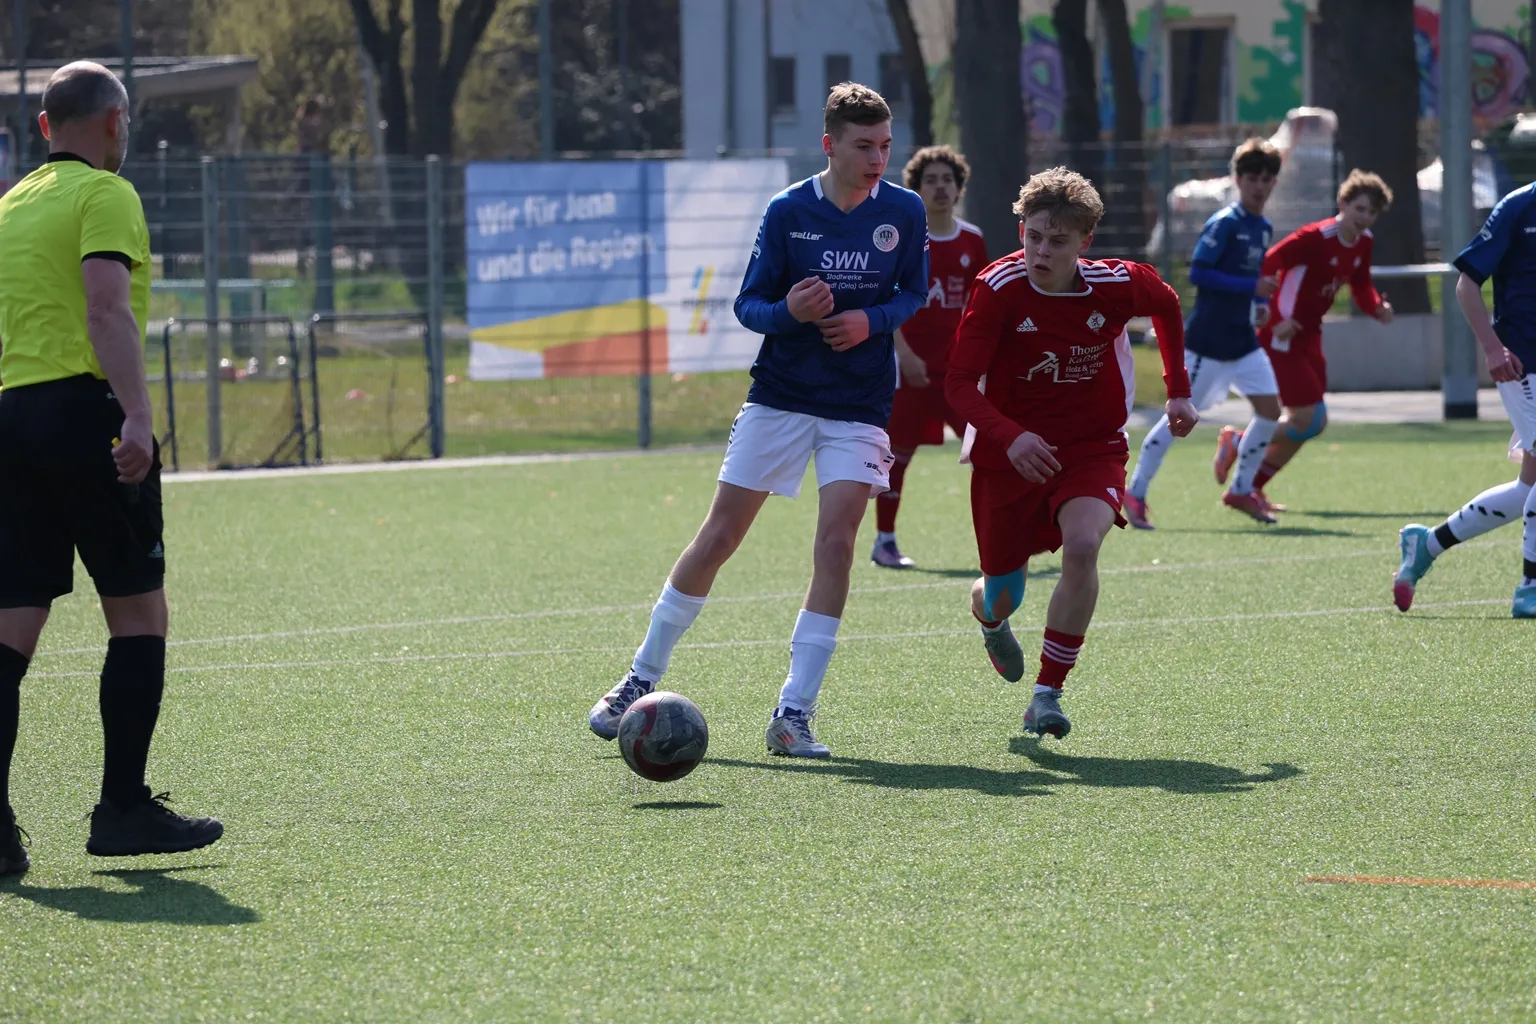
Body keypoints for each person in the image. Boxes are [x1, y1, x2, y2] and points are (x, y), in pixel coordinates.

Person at [586, 83, 927, 758]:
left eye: (886, 146)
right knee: (719, 535)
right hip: (781, 395)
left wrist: (871, 320)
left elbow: (912, 291)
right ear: (829, 145)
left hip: (858, 404)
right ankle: (639, 678)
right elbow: (749, 306)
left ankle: (794, 713)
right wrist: (790, 313)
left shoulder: (904, 211)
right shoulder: (788, 210)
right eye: (864, 146)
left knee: (837, 544)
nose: (877, 159)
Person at [0, 62, 223, 876]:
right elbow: (105, 306)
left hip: (12, 416)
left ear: (44, 126)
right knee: (136, 614)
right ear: (115, 122)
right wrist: (136, 416)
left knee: (12, 627)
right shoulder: (106, 194)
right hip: (86, 417)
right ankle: (122, 809)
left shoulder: (10, 206)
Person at [945, 167, 1197, 740]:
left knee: (1083, 548)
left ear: (1085, 241)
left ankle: (1047, 694)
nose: (1041, 251)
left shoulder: (1115, 284)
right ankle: (989, 621)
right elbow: (958, 384)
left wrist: (1178, 389)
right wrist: (1012, 436)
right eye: (1033, 237)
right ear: (1021, 231)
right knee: (1002, 594)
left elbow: (1167, 303)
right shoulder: (997, 288)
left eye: (1057, 241)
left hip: (1091, 447)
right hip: (1008, 455)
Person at [1394, 181, 1536, 616]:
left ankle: (1427, 544)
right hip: (1521, 361)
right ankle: (1530, 588)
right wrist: (1492, 348)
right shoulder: (1519, 207)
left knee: (1528, 487)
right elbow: (1466, 284)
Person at [1126, 138, 1284, 528]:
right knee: (1178, 419)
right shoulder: (1225, 223)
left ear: (1274, 182)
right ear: (1237, 179)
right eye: (1252, 178)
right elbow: (1199, 272)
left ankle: (1241, 489)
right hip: (1208, 342)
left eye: (1266, 179)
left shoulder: (1263, 227)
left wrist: (1258, 305)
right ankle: (1135, 492)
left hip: (1242, 341)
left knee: (1270, 411)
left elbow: (1249, 279)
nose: (1259, 186)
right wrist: (1251, 288)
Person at [1246, 170, 1396, 510]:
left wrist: (1377, 307)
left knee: (1307, 424)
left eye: (1372, 212)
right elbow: (1268, 263)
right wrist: (1275, 318)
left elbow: (1361, 285)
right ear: (1342, 203)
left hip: (1310, 335)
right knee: (1309, 418)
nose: (1365, 218)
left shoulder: (1364, 242)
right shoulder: (1315, 237)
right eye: (1359, 208)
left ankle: (1251, 487)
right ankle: (1238, 444)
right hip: (1282, 337)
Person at [872, 145, 989, 568]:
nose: (940, 187)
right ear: (916, 189)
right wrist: (904, 354)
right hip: (909, 369)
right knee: (897, 453)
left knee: (988, 449)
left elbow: (980, 307)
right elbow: (886, 300)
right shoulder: (903, 239)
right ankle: (885, 541)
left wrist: (977, 361)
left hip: (957, 371)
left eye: (947, 180)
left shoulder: (972, 239)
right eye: (931, 180)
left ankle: (1005, 536)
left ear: (959, 188)